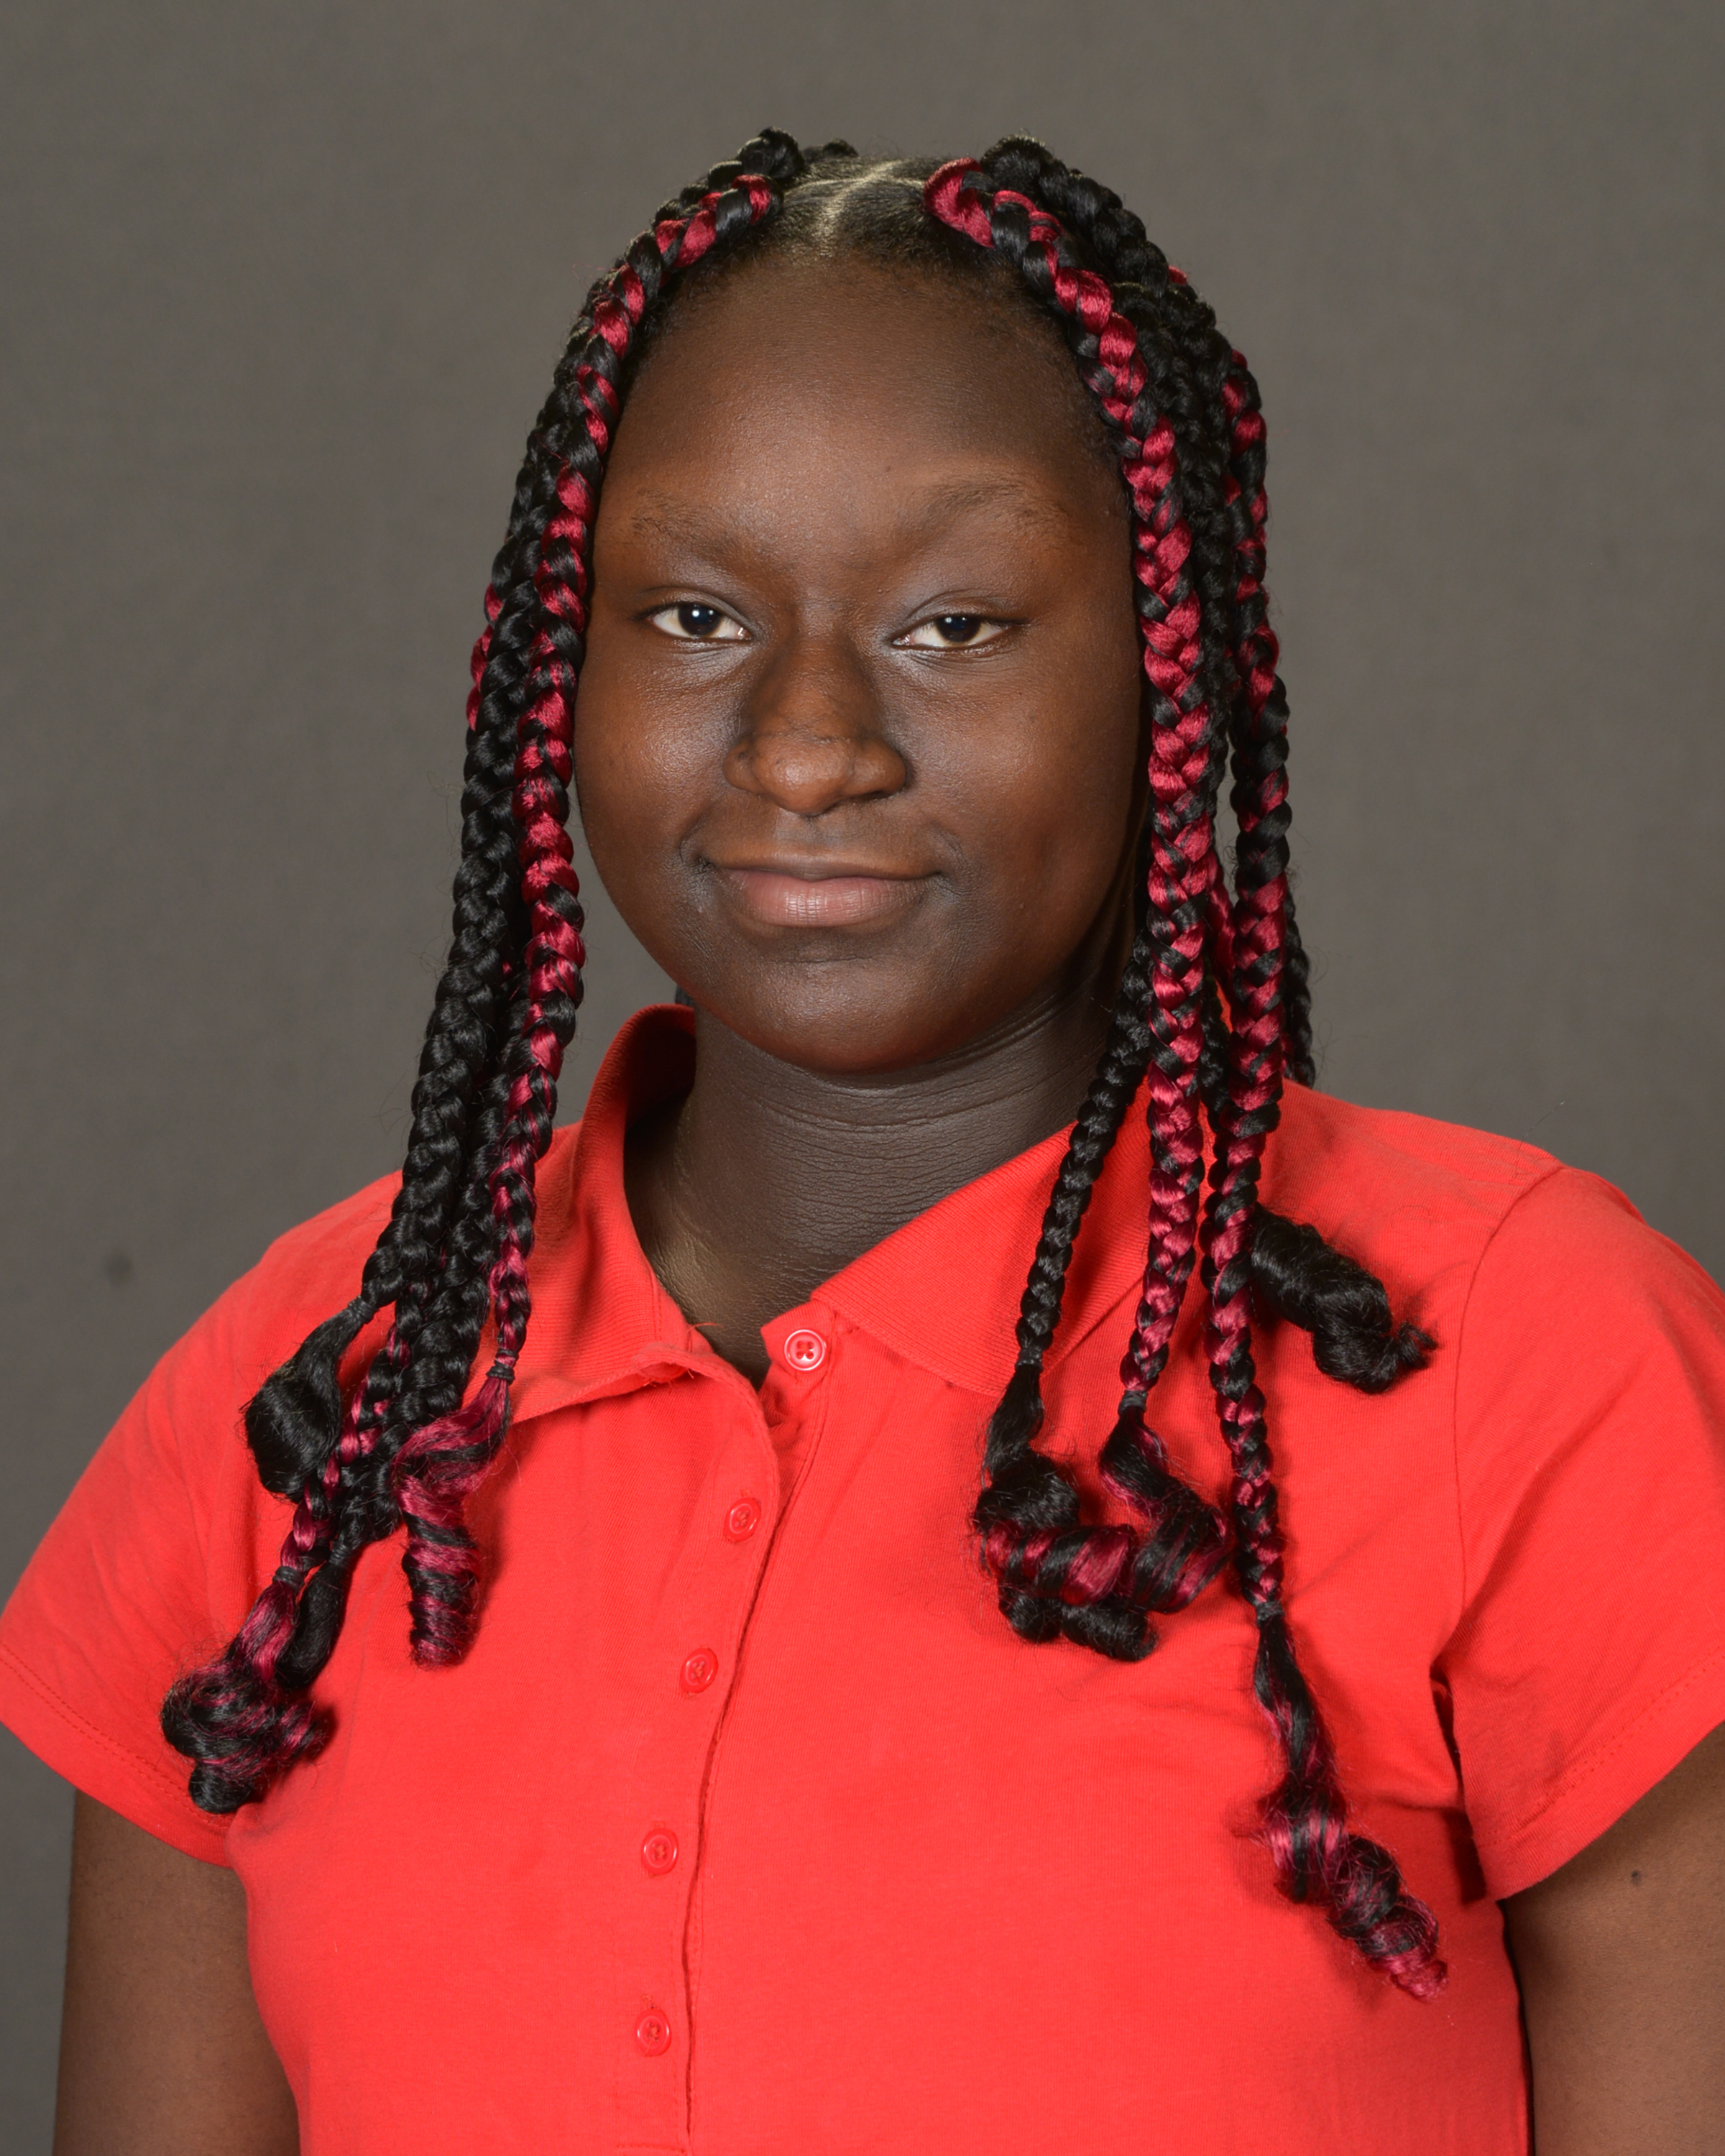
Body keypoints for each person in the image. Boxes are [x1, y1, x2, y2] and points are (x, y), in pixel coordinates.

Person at [3, 130, 1722, 2156]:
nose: (808, 746)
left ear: (1164, 667)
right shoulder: (313, 1417)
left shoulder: (1524, 1369)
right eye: (691, 616)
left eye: (957, 626)